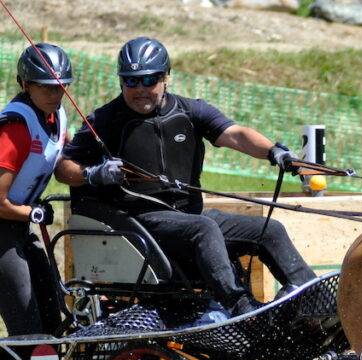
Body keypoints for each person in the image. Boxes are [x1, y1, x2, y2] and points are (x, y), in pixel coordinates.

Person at [55, 36, 316, 317]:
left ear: (166, 77)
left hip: (190, 216)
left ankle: (315, 302)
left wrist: (274, 152)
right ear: (121, 81)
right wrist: (93, 174)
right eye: (131, 81)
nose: (140, 89)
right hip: (142, 221)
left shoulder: (191, 111)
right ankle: (242, 311)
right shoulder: (104, 120)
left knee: (269, 229)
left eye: (149, 80)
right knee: (204, 228)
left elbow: (236, 135)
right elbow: (63, 167)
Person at [0, 43, 72, 337]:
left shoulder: (57, 116)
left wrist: (97, 171)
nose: (56, 94)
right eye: (47, 87)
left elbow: (64, 162)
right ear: (25, 84)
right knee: (28, 329)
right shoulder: (15, 128)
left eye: (61, 87)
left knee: (53, 319)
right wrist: (33, 212)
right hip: (3, 230)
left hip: (19, 228)